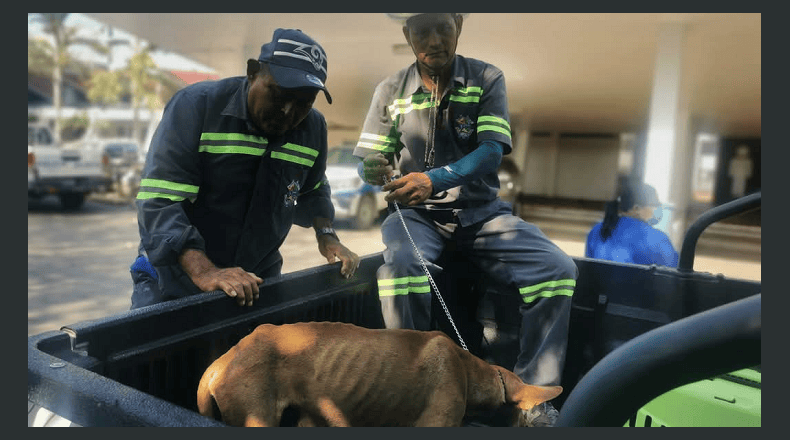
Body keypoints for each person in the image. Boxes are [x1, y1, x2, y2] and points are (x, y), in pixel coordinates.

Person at [353, 13, 578, 426]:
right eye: (422, 29)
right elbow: (370, 158)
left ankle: (532, 401)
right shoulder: (389, 89)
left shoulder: (486, 78)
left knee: (558, 270)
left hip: (481, 216)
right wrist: (370, 169)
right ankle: (410, 391)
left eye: (444, 27)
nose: (434, 39)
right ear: (407, 34)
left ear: (459, 25)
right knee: (401, 269)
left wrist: (434, 179)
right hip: (416, 218)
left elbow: (492, 150)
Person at [129, 28, 359, 310]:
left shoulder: (313, 128)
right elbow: (161, 200)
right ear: (253, 72)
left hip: (254, 280)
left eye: (304, 103)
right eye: (279, 94)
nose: (288, 112)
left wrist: (327, 234)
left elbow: (314, 189)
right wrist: (204, 271)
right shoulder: (196, 107)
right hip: (173, 279)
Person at [585, 180, 678, 267]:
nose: (657, 210)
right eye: (655, 205)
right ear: (636, 208)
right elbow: (673, 276)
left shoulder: (597, 230)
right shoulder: (658, 239)